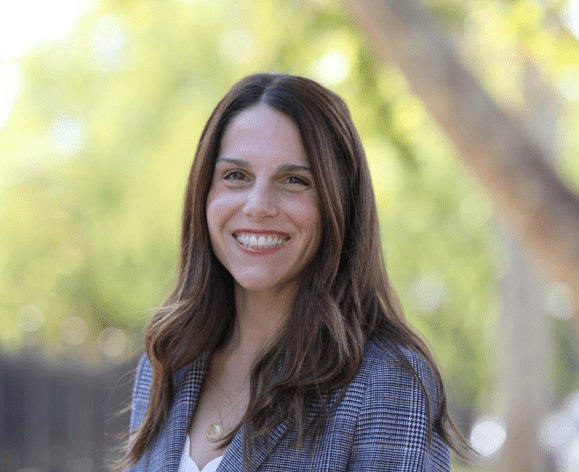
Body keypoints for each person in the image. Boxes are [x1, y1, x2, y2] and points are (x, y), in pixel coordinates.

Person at [123, 73, 473, 471]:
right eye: (236, 176)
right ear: (204, 193)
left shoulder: (386, 382)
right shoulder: (169, 360)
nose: (258, 205)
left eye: (294, 181)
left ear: (337, 204)